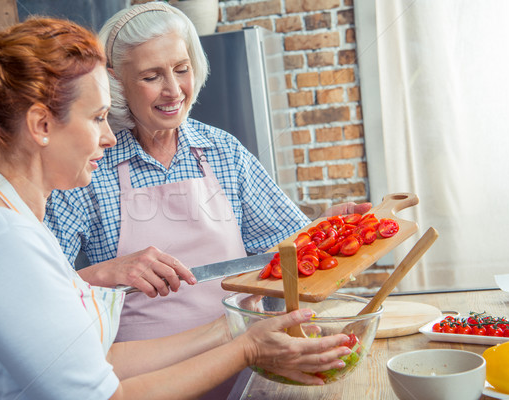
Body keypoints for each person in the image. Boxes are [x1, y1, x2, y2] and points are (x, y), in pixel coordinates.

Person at [0, 15, 355, 399]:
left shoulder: (5, 227)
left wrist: (234, 332)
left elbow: (101, 361)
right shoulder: (1, 243)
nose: (109, 138)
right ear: (42, 125)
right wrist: (248, 348)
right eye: (97, 118)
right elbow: (107, 393)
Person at [45, 1, 371, 340]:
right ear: (115, 81)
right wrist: (106, 272)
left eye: (182, 69)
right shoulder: (92, 165)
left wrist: (325, 232)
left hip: (245, 362)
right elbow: (40, 288)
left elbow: (286, 254)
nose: (173, 90)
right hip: (147, 379)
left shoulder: (223, 152)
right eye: (152, 76)